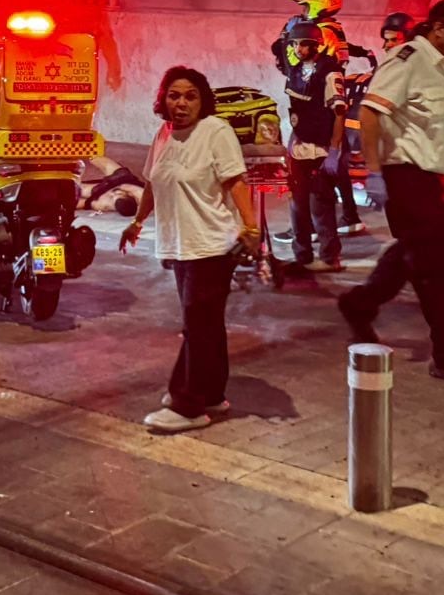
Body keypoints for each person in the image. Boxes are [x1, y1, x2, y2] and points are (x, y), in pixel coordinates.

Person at [338, 0, 444, 387]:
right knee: (441, 272)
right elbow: (370, 112)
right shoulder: (407, 60)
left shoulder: (443, 68)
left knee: (411, 256)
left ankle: (358, 304)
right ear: (438, 29)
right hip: (406, 176)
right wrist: (373, 172)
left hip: (431, 180)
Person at [122, 66, 255, 432]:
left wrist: (252, 226)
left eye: (190, 96)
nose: (181, 103)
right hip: (180, 244)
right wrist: (136, 222)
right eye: (174, 95)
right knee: (206, 324)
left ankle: (188, 404)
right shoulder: (164, 134)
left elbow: (236, 180)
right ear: (163, 99)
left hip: (211, 244)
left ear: (203, 100)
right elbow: (152, 183)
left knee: (198, 324)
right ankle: (211, 393)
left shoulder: (215, 131)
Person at [282, 21, 344, 273]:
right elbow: (297, 113)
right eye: (295, 44)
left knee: (321, 205)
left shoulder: (330, 73)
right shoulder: (296, 72)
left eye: (302, 44)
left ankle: (330, 258)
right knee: (297, 206)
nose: (297, 49)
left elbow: (339, 113)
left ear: (314, 44)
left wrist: (334, 151)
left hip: (320, 150)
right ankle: (303, 255)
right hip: (299, 148)